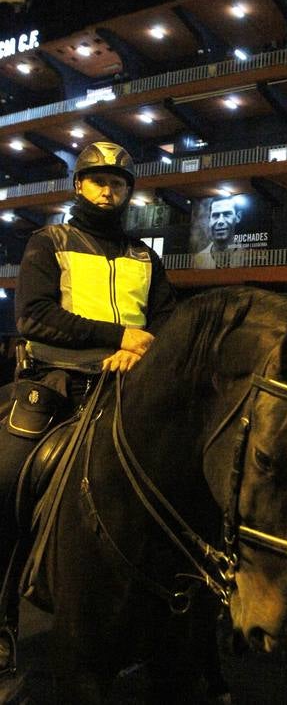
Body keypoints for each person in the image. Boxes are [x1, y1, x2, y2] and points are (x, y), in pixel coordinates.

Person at [0, 141, 176, 674]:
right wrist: (117, 337)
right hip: (57, 383)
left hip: (130, 385)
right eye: (98, 180)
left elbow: (166, 322)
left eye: (118, 183)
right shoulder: (48, 241)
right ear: (79, 185)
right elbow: (34, 317)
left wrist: (142, 349)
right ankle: (2, 617)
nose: (108, 190)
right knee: (7, 482)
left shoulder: (146, 256)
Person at [195, 196, 242, 268]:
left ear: (238, 217)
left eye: (227, 214)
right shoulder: (198, 260)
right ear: (209, 220)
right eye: (216, 215)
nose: (220, 221)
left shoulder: (249, 256)